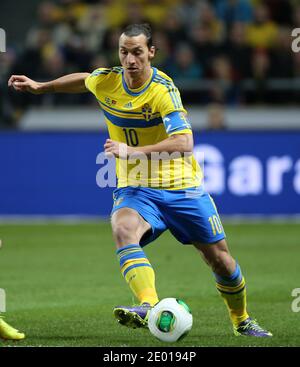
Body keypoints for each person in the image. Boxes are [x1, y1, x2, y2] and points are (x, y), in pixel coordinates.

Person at [8, 23, 272, 337]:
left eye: (136, 52)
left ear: (151, 52)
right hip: (136, 188)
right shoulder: (108, 81)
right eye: (124, 52)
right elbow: (83, 80)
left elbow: (184, 143)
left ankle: (241, 320)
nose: (130, 60)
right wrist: (41, 87)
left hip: (181, 187)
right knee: (122, 228)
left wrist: (131, 150)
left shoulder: (163, 89)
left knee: (220, 260)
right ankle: (148, 304)